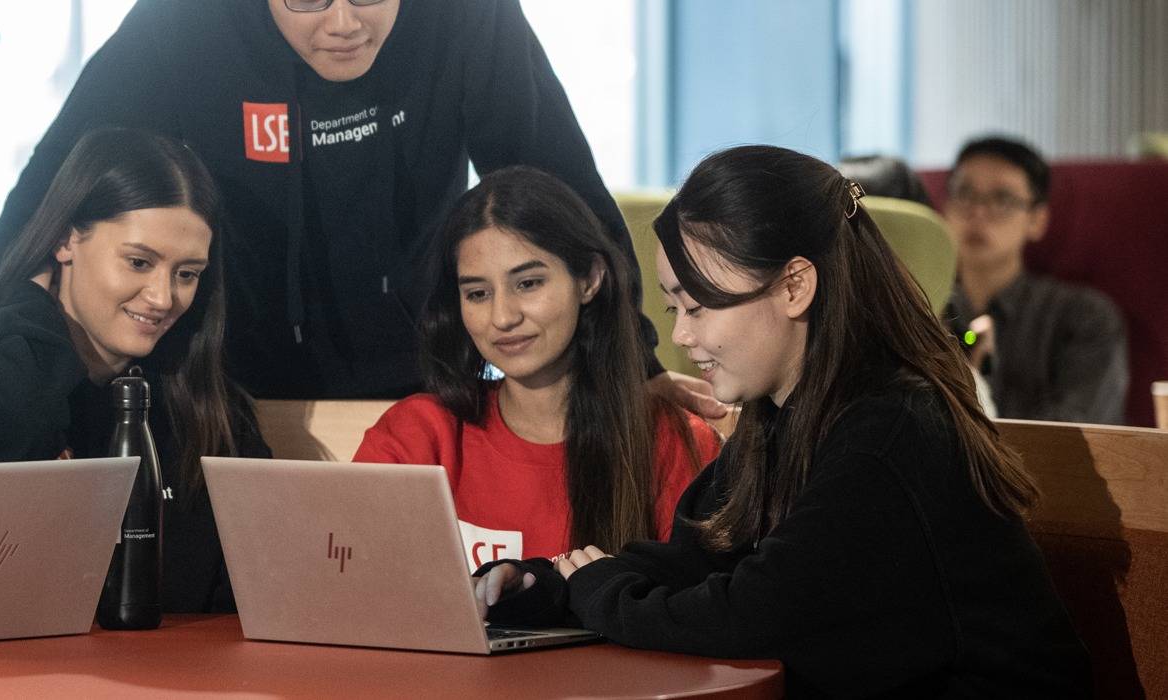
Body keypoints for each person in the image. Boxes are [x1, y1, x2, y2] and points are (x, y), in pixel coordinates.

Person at [480, 145, 1088, 696]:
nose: (682, 336)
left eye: (698, 306)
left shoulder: (890, 429)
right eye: (673, 308)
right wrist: (550, 586)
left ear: (795, 285)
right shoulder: (777, 413)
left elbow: (753, 616)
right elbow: (699, 557)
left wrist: (602, 592)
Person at [0, 0, 720, 419]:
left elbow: (567, 192)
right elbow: (47, 202)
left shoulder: (469, 18)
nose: (342, 24)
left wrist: (639, 365)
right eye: (306, 0)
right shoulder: (182, 25)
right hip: (231, 390)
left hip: (423, 386)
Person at [0, 127, 267, 614]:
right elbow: (1, 430)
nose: (163, 298)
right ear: (64, 240)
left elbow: (260, 589)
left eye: (187, 274)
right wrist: (31, 306)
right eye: (139, 262)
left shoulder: (207, 409)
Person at [356, 167, 715, 568]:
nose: (503, 316)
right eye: (477, 293)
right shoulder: (415, 438)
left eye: (527, 283)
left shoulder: (675, 444)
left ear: (589, 279)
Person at [941, 136, 1129, 424]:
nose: (978, 213)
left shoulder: (1084, 318)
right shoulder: (923, 309)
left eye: (1002, 199)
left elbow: (1076, 440)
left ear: (1037, 220)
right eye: (965, 194)